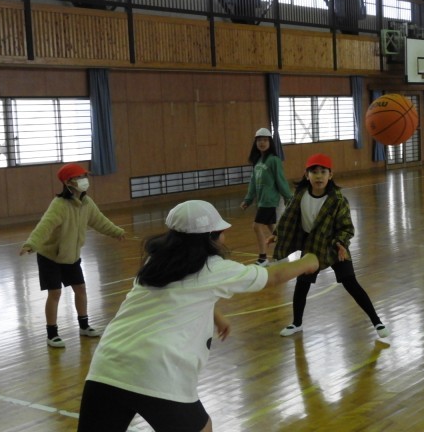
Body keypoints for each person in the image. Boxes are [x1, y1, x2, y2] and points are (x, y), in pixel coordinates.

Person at [77, 200, 319, 432]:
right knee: (202, 428)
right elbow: (273, 276)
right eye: (221, 232)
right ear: (210, 238)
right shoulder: (214, 267)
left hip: (107, 366)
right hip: (158, 370)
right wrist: (309, 260)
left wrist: (215, 315)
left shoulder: (157, 261)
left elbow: (177, 294)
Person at [270, 153, 390, 339]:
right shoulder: (300, 196)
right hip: (312, 245)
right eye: (314, 172)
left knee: (351, 283)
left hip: (335, 245)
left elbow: (346, 227)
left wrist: (341, 244)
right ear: (306, 175)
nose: (318, 176)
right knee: (302, 284)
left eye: (323, 172)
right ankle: (297, 323)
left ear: (330, 175)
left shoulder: (338, 200)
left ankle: (377, 321)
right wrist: (277, 233)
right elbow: (289, 217)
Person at [20, 163, 125, 348]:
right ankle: (52, 334)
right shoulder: (59, 205)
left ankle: (84, 326)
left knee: (81, 290)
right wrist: (32, 243)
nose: (84, 180)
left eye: (85, 176)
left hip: (71, 257)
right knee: (55, 293)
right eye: (79, 177)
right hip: (50, 257)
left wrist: (116, 231)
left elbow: (99, 220)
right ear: (68, 182)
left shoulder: (87, 203)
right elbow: (45, 226)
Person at [240, 127, 292, 266]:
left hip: (269, 200)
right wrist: (248, 199)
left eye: (265, 140)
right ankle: (283, 254)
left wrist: (288, 197)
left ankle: (263, 258)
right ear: (255, 143)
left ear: (270, 142)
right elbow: (253, 182)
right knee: (273, 229)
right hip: (261, 201)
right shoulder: (257, 162)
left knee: (256, 226)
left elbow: (281, 180)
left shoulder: (274, 160)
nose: (262, 143)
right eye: (259, 140)